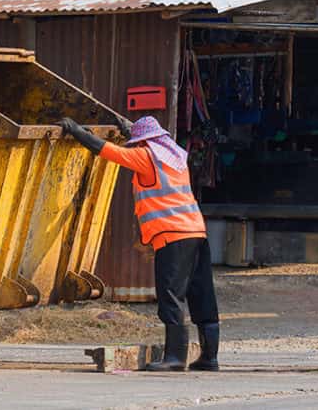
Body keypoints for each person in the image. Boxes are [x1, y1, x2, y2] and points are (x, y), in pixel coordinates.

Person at [60, 115, 219, 372]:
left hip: (172, 236)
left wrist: (75, 130)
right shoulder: (176, 159)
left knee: (171, 295)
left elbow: (106, 150)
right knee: (202, 295)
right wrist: (129, 130)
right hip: (197, 233)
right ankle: (210, 357)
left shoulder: (146, 158)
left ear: (143, 143)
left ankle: (175, 358)